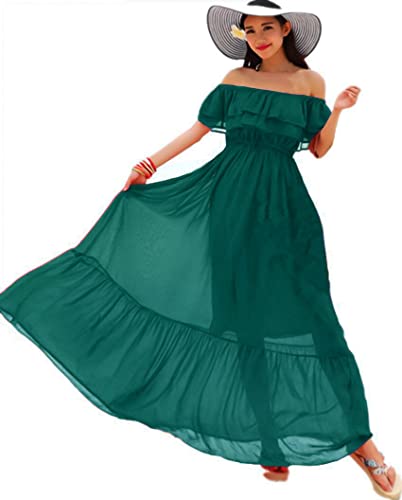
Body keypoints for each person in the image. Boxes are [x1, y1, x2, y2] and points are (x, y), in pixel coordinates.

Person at [0, 1, 400, 498]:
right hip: (229, 206)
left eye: (267, 28)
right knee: (241, 323)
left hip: (287, 214)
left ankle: (364, 447)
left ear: (285, 30)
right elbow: (198, 131)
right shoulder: (235, 79)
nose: (259, 37)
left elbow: (318, 148)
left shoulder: (310, 83)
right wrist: (148, 164)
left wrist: (337, 110)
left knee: (317, 322)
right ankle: (270, 445)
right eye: (250, 30)